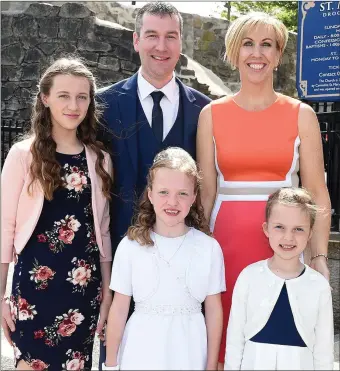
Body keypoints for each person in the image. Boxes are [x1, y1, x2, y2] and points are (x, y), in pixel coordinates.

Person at [196, 12, 332, 367]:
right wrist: (196, 254)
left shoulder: (301, 114)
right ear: (233, 52)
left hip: (287, 246)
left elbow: (317, 193)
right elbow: (206, 194)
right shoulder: (211, 114)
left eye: (267, 44)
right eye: (248, 43)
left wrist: (317, 256)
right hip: (225, 245)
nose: (257, 53)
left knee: (284, 345)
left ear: (278, 55)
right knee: (227, 343)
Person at [96, 2, 211, 367]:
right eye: (152, 36)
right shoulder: (103, 105)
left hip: (184, 264)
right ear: (135, 40)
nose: (161, 46)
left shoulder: (205, 111)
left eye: (170, 37)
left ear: (181, 44)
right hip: (122, 256)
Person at [1, 58, 113, 371]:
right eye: (63, 95)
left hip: (83, 289)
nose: (73, 105)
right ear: (45, 98)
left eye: (82, 96)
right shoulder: (24, 155)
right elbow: (5, 228)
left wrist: (106, 294)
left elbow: (101, 231)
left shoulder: (100, 158)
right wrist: (0, 298)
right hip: (35, 290)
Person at [101, 147, 225, 370]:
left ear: (194, 197)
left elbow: (214, 311)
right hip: (142, 350)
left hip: (190, 351)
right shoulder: (131, 247)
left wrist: (211, 365)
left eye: (182, 194)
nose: (172, 202)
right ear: (150, 194)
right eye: (164, 192)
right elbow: (119, 309)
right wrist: (110, 365)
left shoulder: (208, 248)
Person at [224, 187, 334, 370]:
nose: (288, 237)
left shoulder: (319, 286)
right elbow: (235, 341)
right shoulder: (249, 277)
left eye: (298, 229)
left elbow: (324, 351)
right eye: (279, 227)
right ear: (266, 229)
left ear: (310, 234)